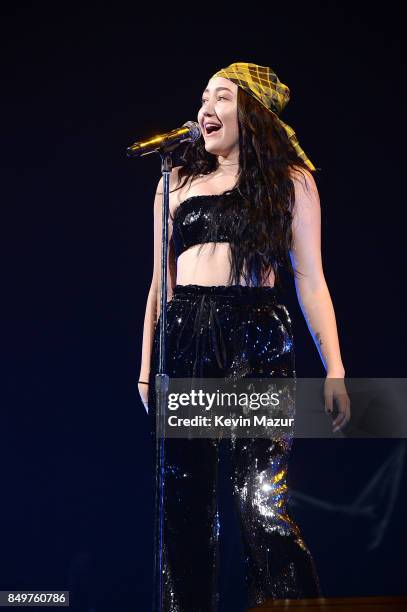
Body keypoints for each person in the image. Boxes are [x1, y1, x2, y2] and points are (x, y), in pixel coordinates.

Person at [138, 62, 350, 611]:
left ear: (250, 113)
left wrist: (336, 369)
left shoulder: (290, 183)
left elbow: (312, 279)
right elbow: (160, 285)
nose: (206, 107)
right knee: (182, 500)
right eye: (203, 97)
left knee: (260, 496)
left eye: (222, 96)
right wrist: (145, 367)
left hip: (254, 333)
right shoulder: (174, 182)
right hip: (185, 335)